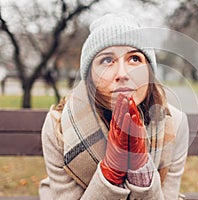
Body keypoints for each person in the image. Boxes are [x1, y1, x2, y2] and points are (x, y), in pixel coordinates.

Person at [39, 12, 189, 200]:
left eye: (134, 59)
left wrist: (141, 170)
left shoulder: (175, 123)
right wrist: (110, 171)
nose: (122, 73)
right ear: (90, 79)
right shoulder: (58, 126)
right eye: (107, 60)